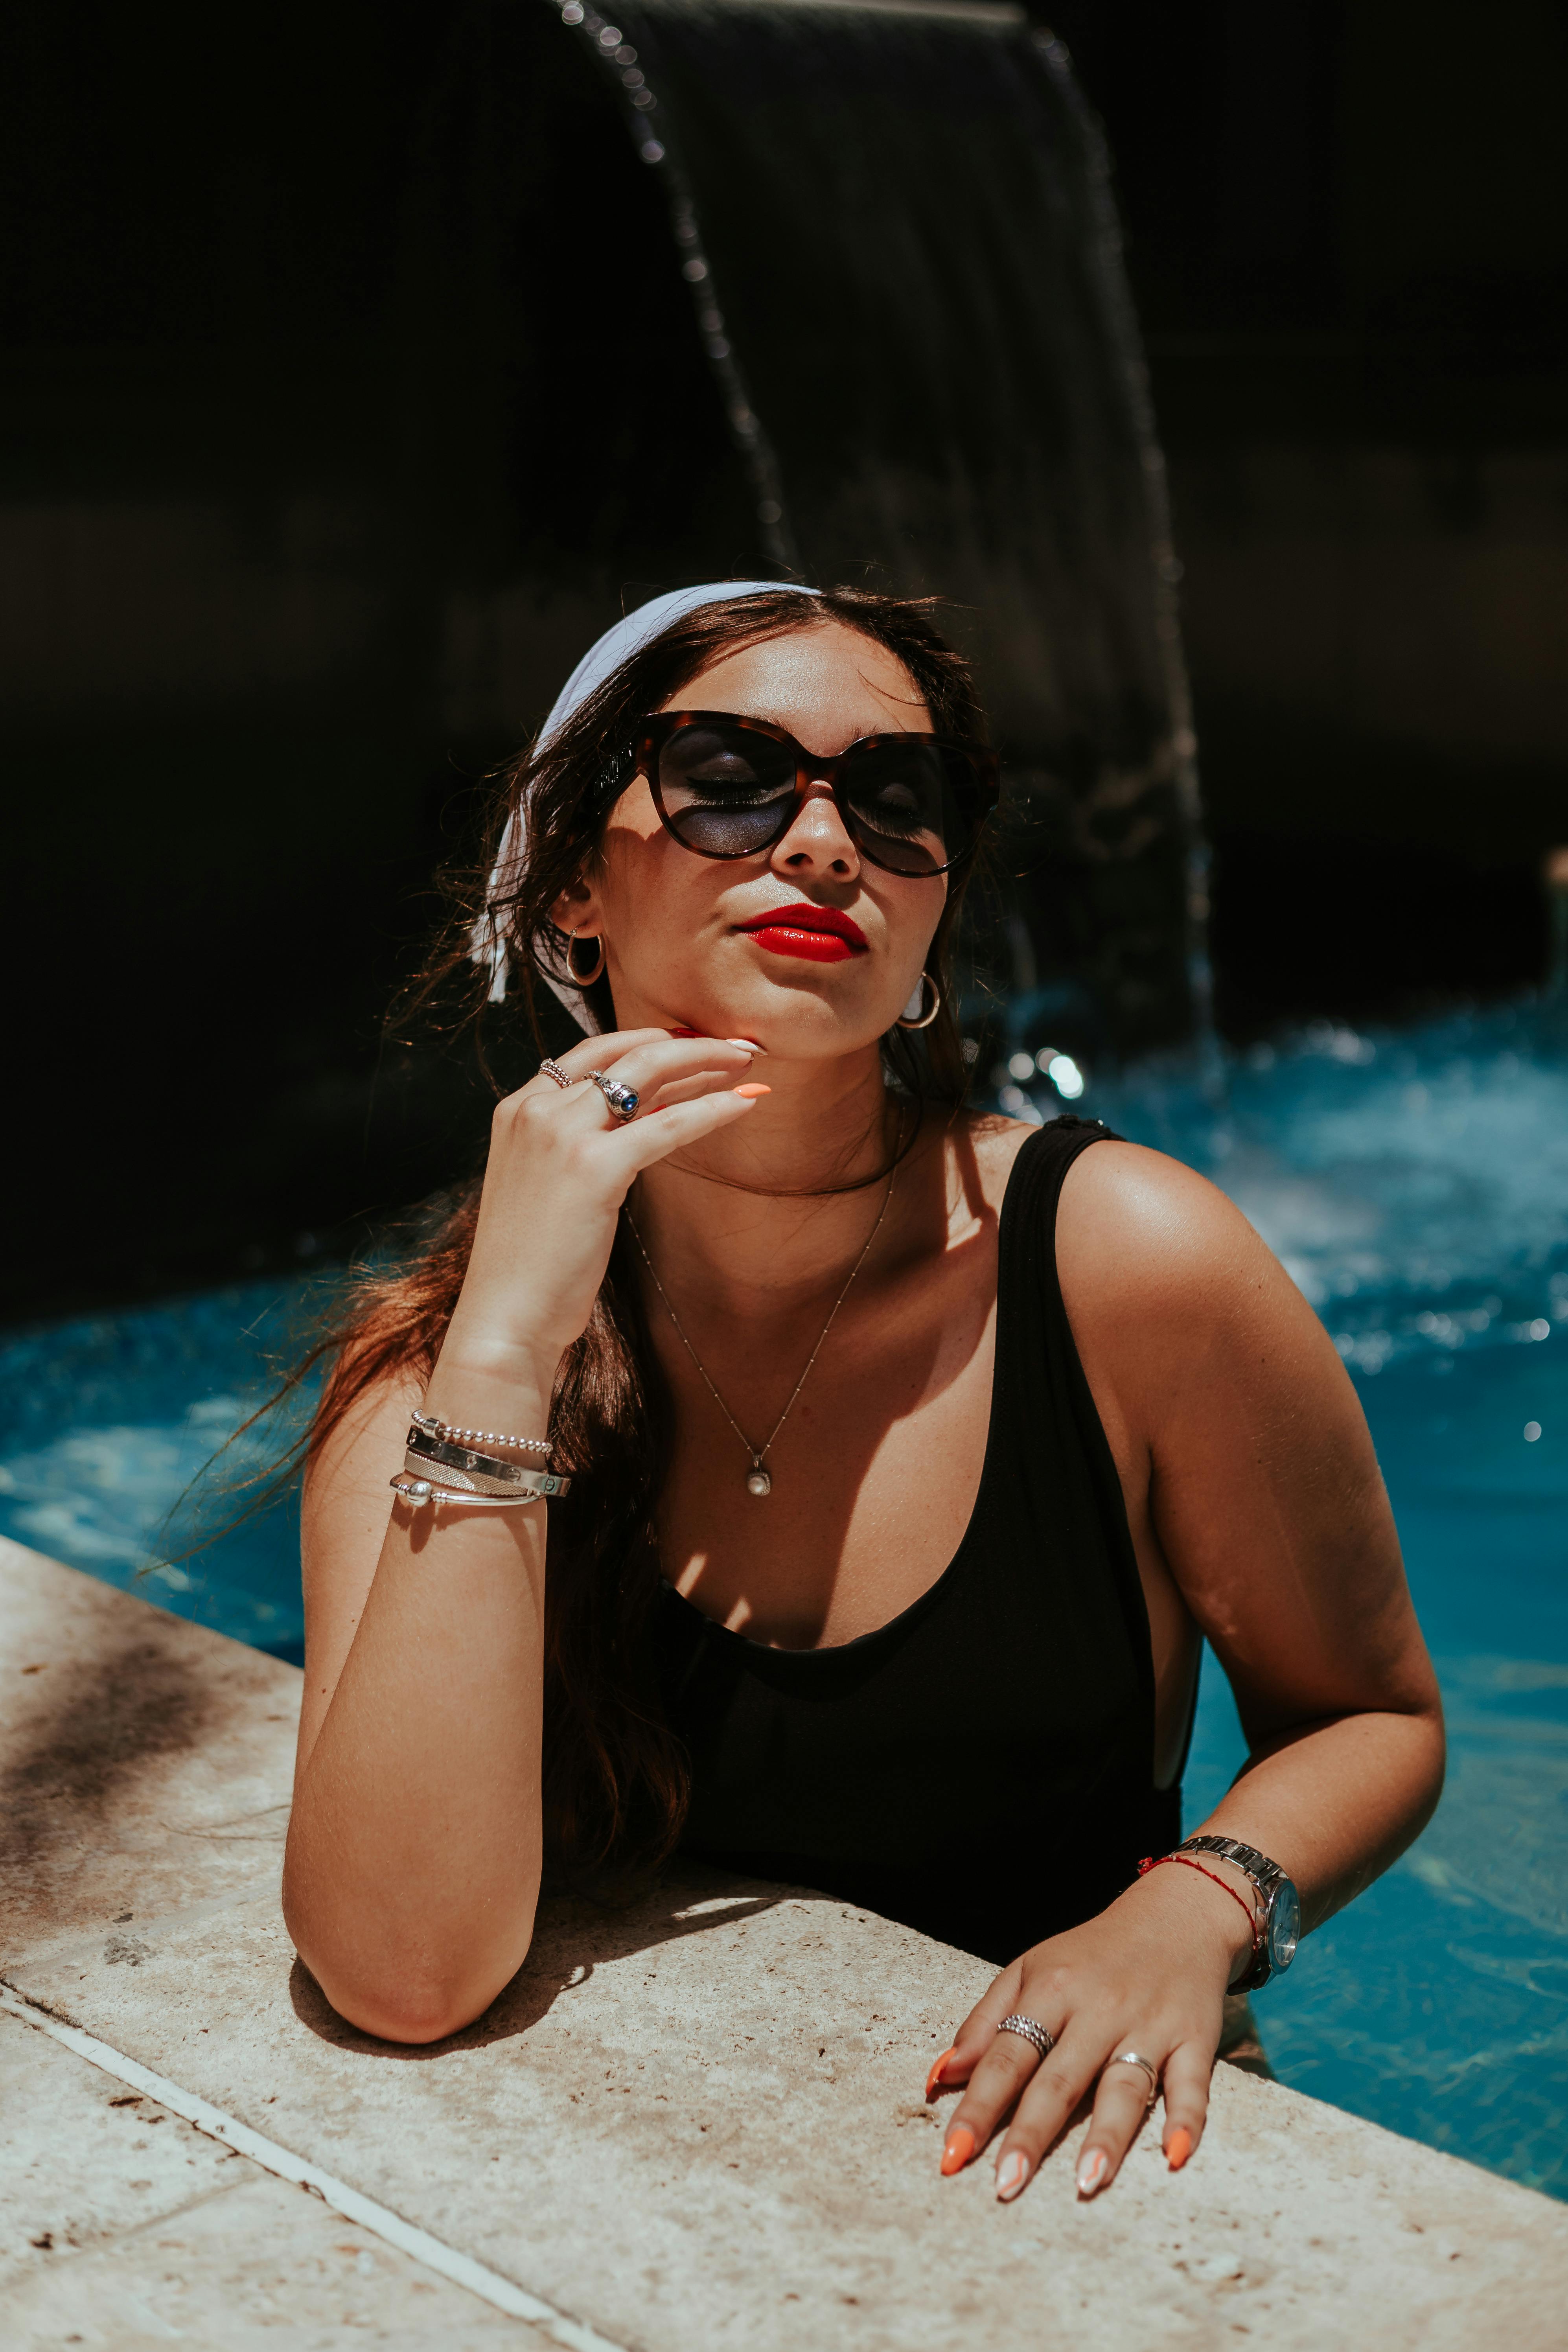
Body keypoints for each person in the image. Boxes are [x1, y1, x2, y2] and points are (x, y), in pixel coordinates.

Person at [282, 582, 1444, 2205]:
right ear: (569, 878)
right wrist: (503, 1355)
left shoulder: (1127, 1265)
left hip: (1067, 2174)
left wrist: (1195, 1906)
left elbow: (1374, 1715)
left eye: (895, 800)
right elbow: (403, 1971)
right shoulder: (442, 1365)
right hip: (633, 2188)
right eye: (729, 775)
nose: (824, 841)